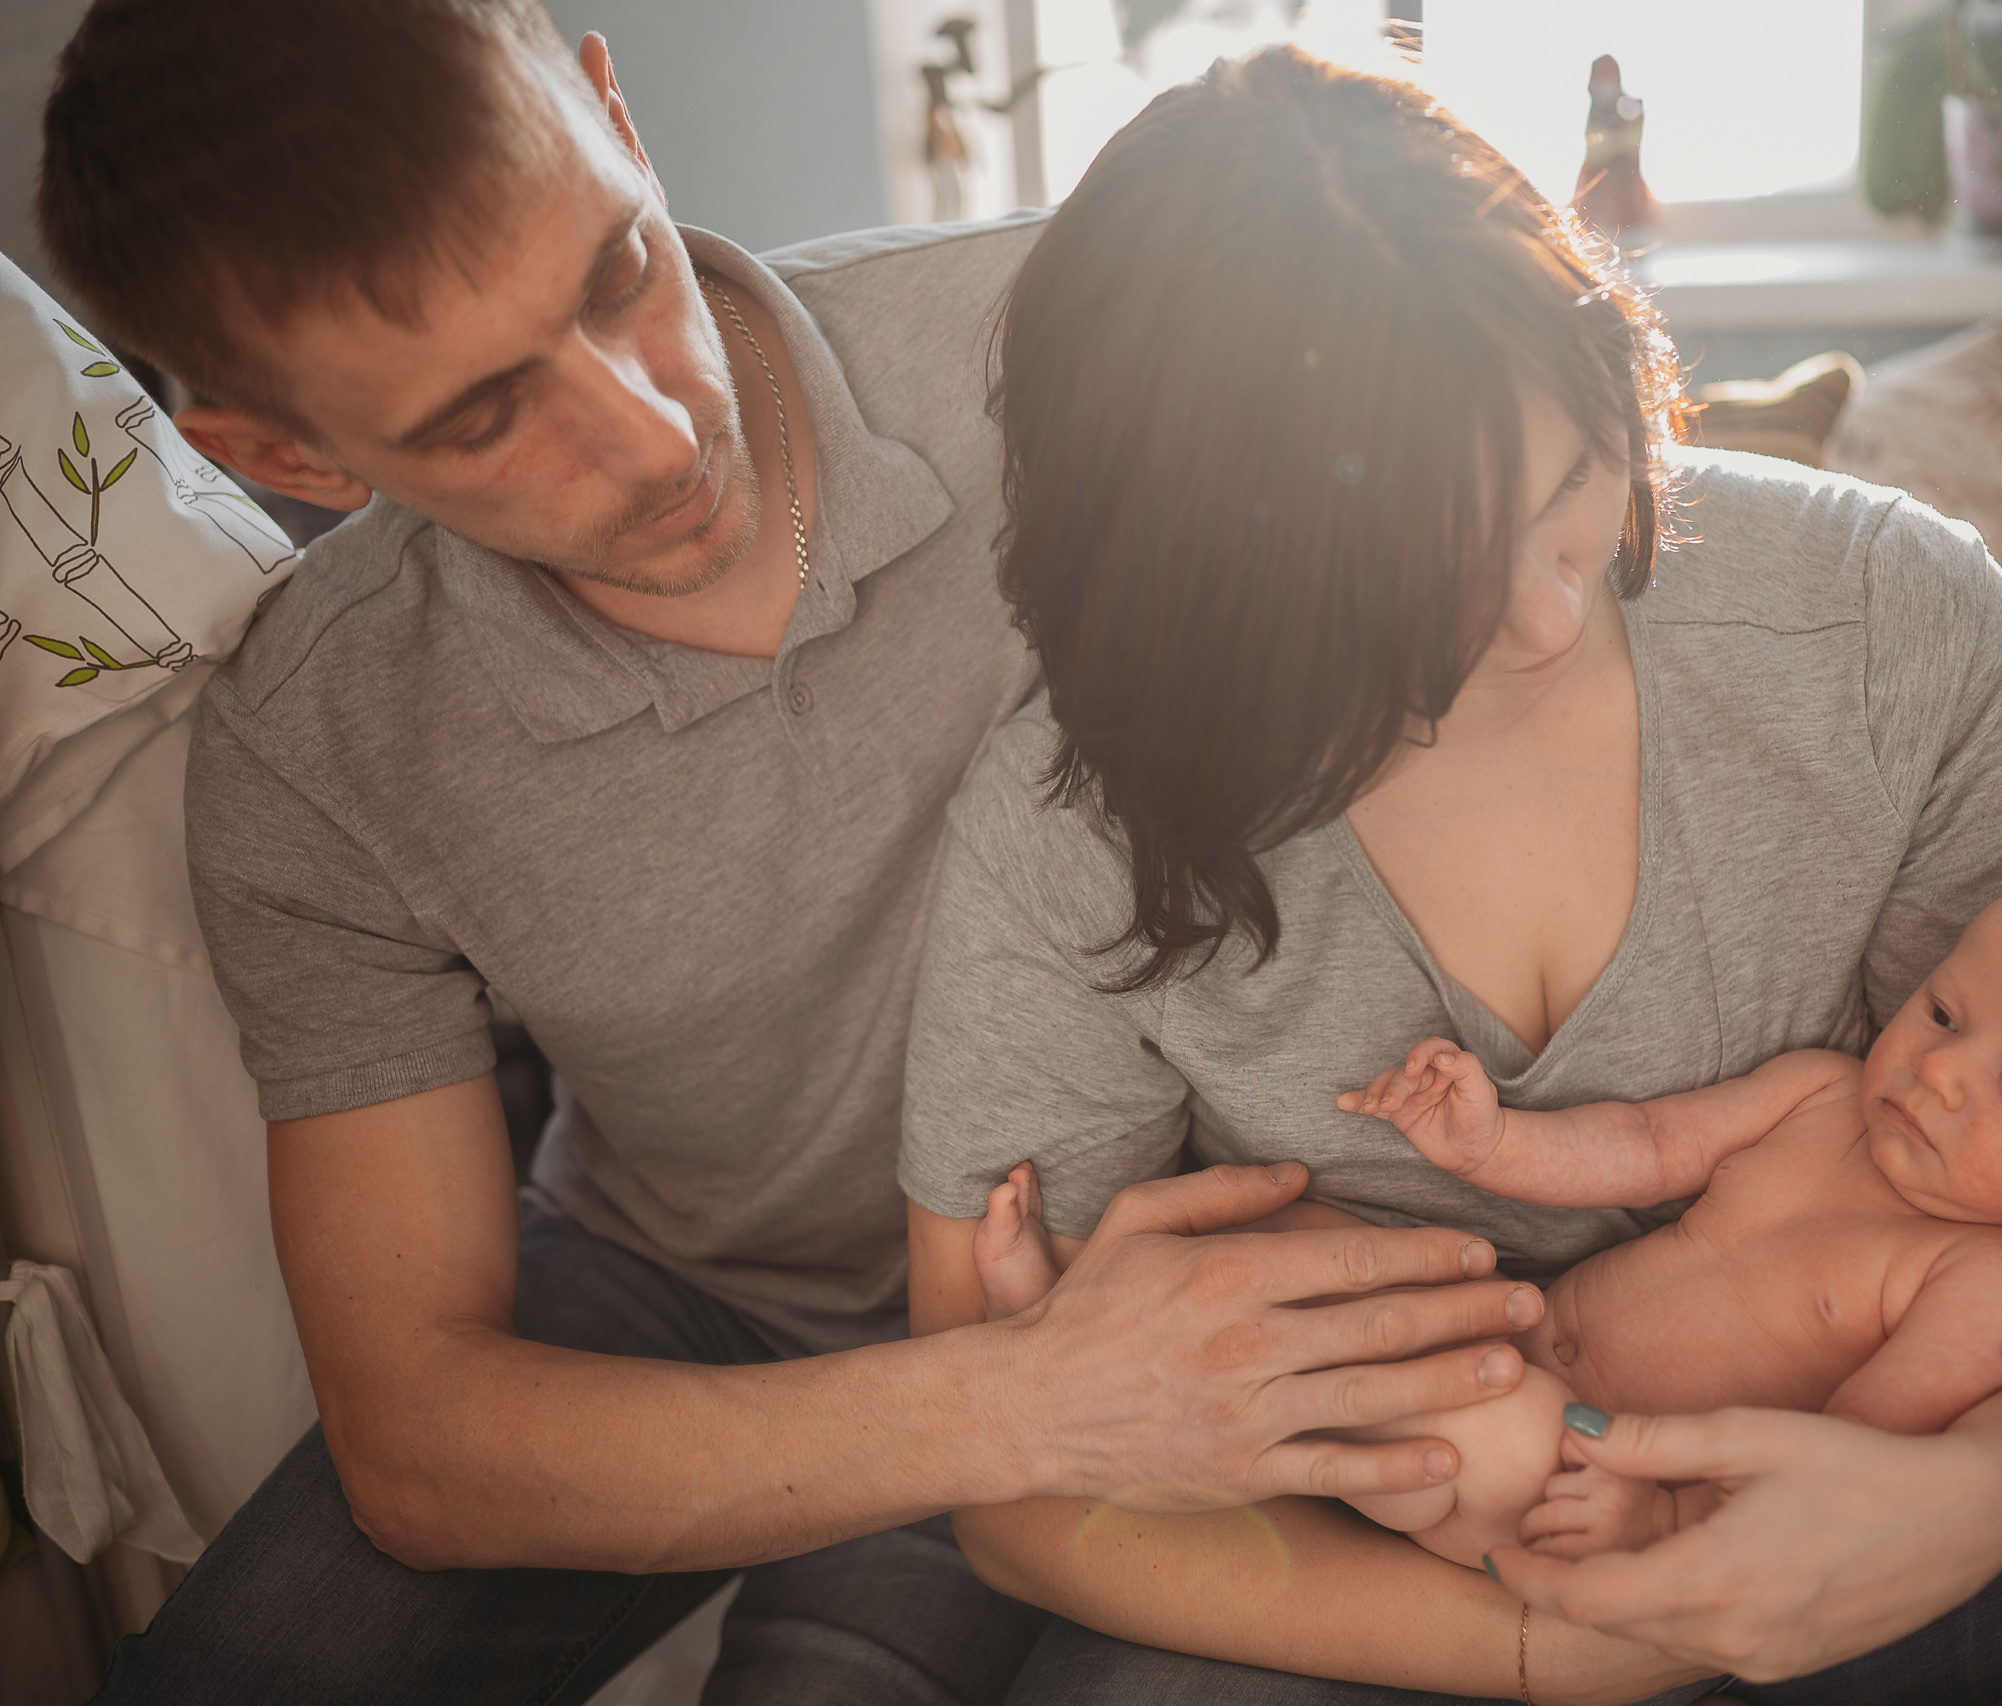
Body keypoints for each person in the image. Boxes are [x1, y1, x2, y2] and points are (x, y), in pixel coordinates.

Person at [898, 47, 2002, 1704]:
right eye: (1425, 603)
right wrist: (1561, 1645)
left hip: (1908, 1499)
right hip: (1409, 1588)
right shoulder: (1080, 822)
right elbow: (1018, 1476)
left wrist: (1958, 1500)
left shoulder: (1888, 624)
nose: (1554, 623)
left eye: (1567, 496)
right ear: (1211, 600)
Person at [38, 4, 1551, 1699]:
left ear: (611, 107)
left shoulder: (1098, 329)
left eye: (617, 273)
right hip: (713, 1298)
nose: (652, 434)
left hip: (1227, 1231)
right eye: (482, 418)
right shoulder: (313, 739)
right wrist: (1023, 1401)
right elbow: (420, 1442)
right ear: (284, 457)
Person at [973, 871, 2002, 1569]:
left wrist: (1657, 1525)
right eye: (1949, 1010)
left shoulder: (2001, 1287)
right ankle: (1097, 1313)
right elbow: (1647, 1142)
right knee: (1350, 1251)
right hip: (1516, 1323)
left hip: (1572, 1473)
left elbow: (1838, 1470)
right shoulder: (1821, 1095)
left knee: (1457, 1406)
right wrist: (1489, 1138)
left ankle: (1126, 1427)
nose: (1942, 1070)